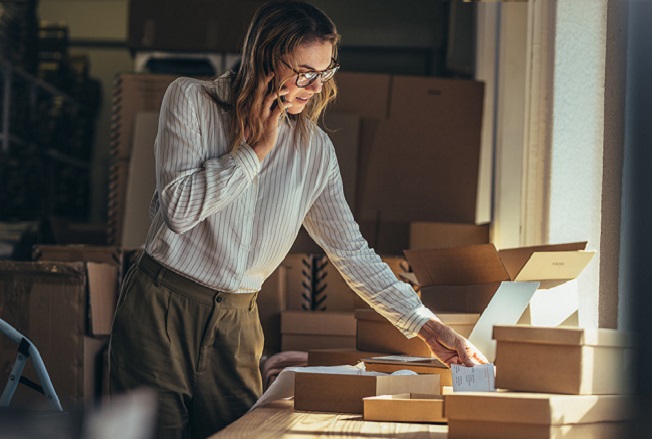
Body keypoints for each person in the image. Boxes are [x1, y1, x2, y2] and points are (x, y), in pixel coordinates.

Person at [108, 2, 488, 438]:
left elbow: (350, 252)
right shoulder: (191, 100)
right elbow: (178, 211)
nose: (315, 85)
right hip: (160, 309)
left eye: (324, 72)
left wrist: (425, 324)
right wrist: (253, 154)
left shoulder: (314, 151)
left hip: (236, 325)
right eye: (304, 71)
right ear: (265, 57)